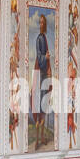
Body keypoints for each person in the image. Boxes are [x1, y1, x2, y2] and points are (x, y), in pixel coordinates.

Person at [33, 14, 51, 146]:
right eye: (40, 23)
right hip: (41, 74)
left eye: (43, 23)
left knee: (44, 107)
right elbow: (40, 58)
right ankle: (38, 139)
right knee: (40, 107)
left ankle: (42, 137)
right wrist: (46, 57)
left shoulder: (44, 37)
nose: (41, 25)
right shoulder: (39, 38)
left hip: (44, 74)